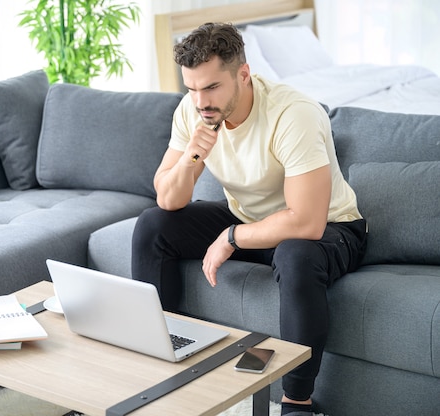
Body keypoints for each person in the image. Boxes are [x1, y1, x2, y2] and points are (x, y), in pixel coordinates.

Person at [131, 22, 367, 415]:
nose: (200, 101)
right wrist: (193, 155)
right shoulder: (193, 112)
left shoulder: (293, 114)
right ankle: (158, 361)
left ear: (244, 74)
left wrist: (230, 237)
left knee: (295, 254)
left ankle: (297, 402)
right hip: (254, 220)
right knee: (153, 225)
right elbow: (167, 199)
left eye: (211, 87)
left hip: (331, 229)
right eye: (191, 89)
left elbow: (307, 223)